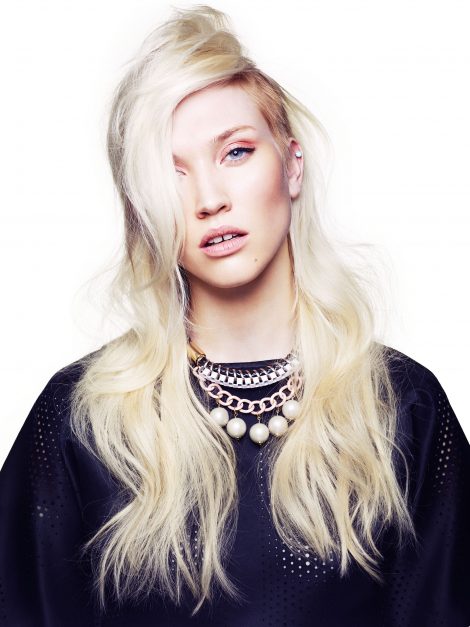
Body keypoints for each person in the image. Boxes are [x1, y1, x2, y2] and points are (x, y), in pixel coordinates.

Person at [0, 5, 469, 626]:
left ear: (292, 165)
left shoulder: (402, 408)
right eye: (171, 173)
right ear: (143, 209)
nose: (209, 199)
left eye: (236, 152)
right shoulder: (80, 420)